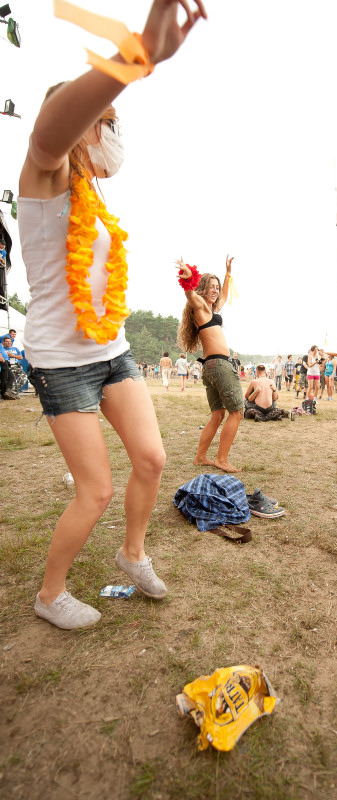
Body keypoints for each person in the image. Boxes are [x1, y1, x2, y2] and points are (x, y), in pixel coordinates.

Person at [18, 0, 207, 630]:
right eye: (106, 120)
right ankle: (50, 594)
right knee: (94, 489)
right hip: (61, 360)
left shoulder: (91, 192)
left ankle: (133, 555)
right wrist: (132, 58)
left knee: (151, 460)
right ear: (75, 121)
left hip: (111, 350)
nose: (114, 133)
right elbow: (50, 132)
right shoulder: (42, 173)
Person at [177, 256, 243, 472]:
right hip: (220, 366)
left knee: (217, 415)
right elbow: (190, 295)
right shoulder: (201, 309)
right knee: (237, 412)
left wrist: (227, 274)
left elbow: (224, 295)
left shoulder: (211, 311)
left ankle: (200, 457)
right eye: (211, 287)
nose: (215, 291)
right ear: (202, 288)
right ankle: (222, 459)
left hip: (210, 367)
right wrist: (188, 280)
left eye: (216, 287)